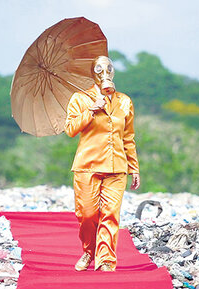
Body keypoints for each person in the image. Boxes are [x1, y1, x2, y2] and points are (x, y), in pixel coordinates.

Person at [64, 55, 140, 272]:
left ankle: (106, 259)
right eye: (99, 68)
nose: (104, 72)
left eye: (108, 67)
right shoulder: (80, 98)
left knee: (110, 214)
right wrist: (91, 110)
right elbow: (70, 129)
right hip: (88, 165)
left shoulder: (124, 101)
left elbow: (128, 136)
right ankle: (89, 250)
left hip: (117, 167)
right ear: (92, 73)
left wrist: (134, 167)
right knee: (87, 215)